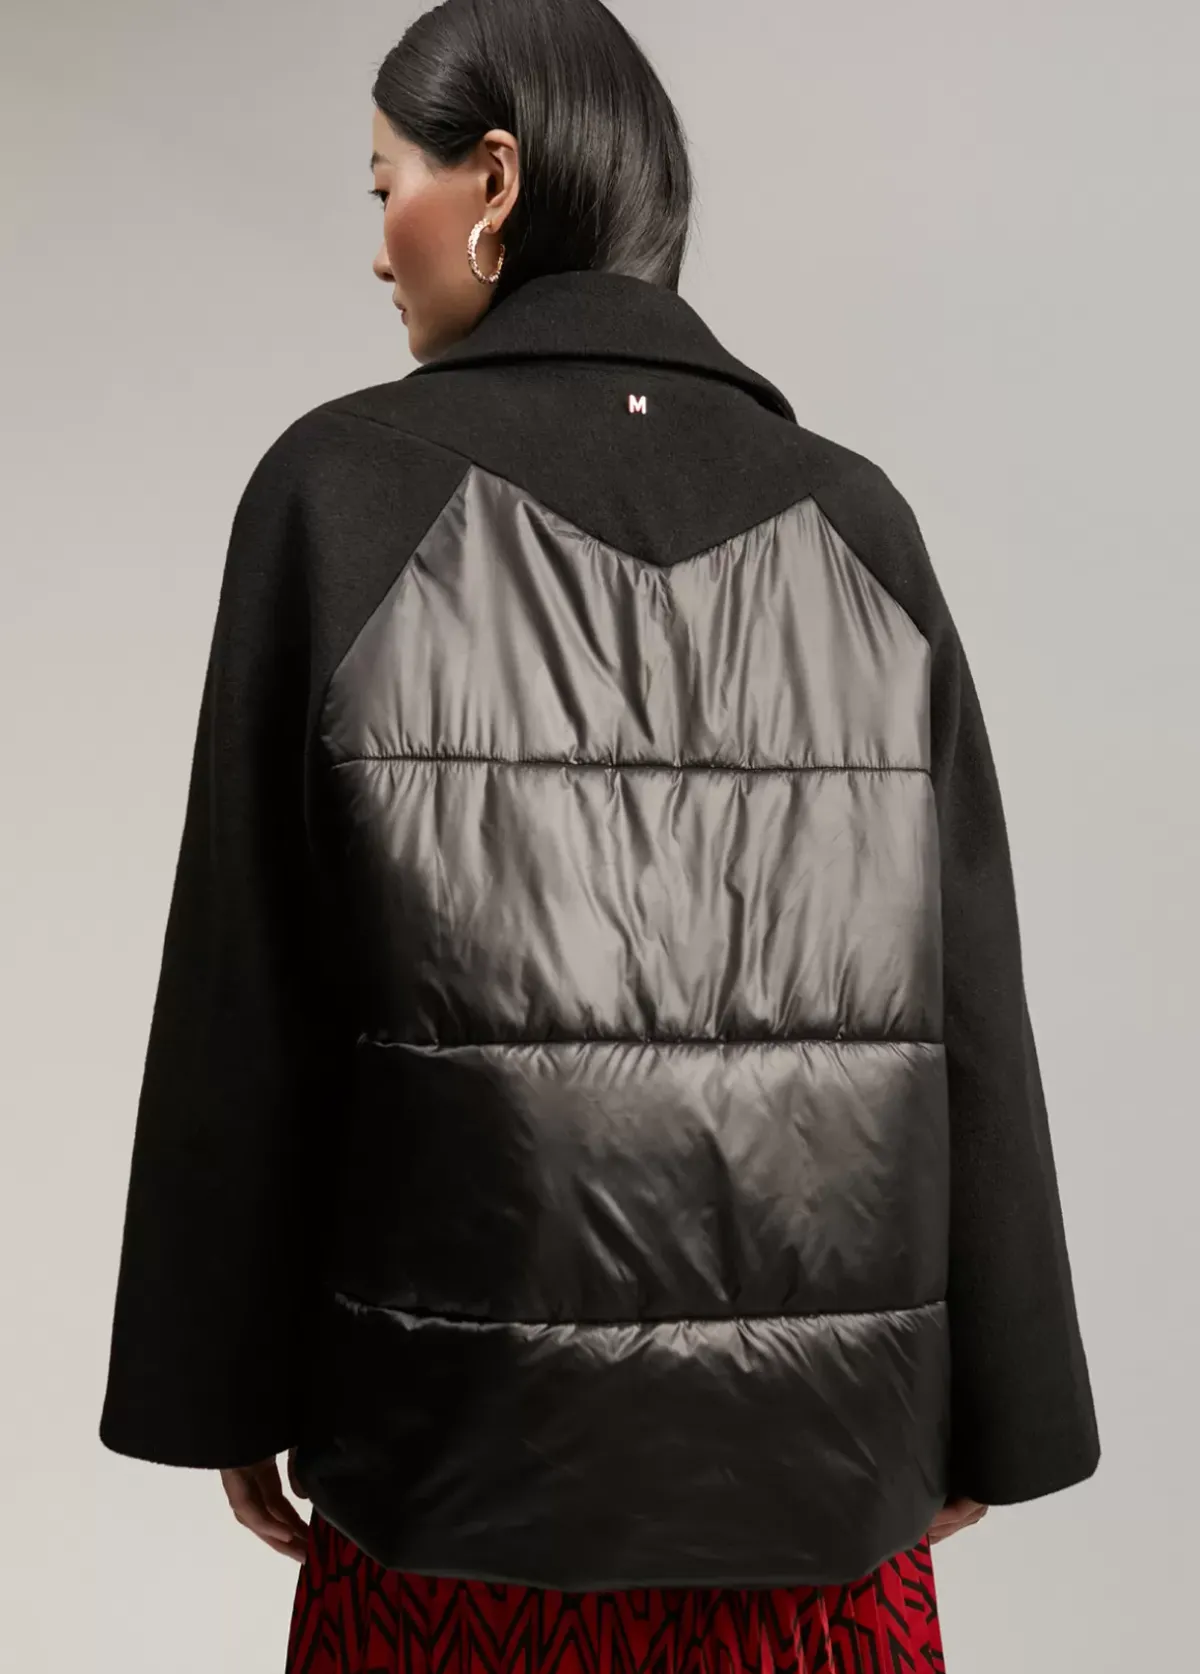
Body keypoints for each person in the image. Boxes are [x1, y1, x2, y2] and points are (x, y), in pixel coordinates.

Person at [98, 2, 1101, 1670]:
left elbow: (244, 995)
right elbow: (965, 993)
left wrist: (223, 1377)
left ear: (495, 180)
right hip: (821, 1522)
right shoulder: (860, 524)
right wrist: (997, 1400)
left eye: (387, 188)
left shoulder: (337, 496)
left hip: (452, 1521)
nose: (378, 248)